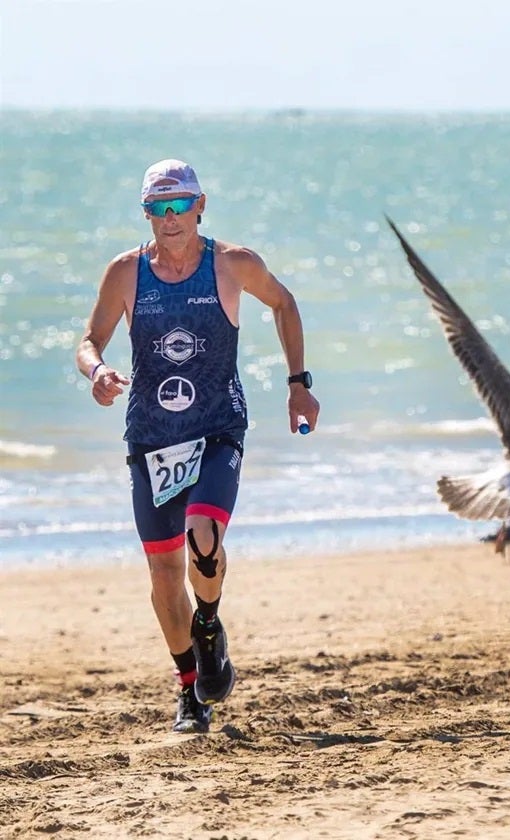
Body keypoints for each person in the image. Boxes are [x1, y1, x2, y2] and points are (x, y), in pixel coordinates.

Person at [75, 159, 321, 733]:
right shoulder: (126, 273)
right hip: (151, 437)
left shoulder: (232, 265)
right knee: (164, 574)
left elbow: (284, 304)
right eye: (157, 208)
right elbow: (90, 339)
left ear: (200, 205)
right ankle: (191, 692)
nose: (169, 218)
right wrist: (96, 372)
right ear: (146, 214)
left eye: (179, 205)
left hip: (216, 428)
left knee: (202, 540)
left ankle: (208, 626)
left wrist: (298, 385)